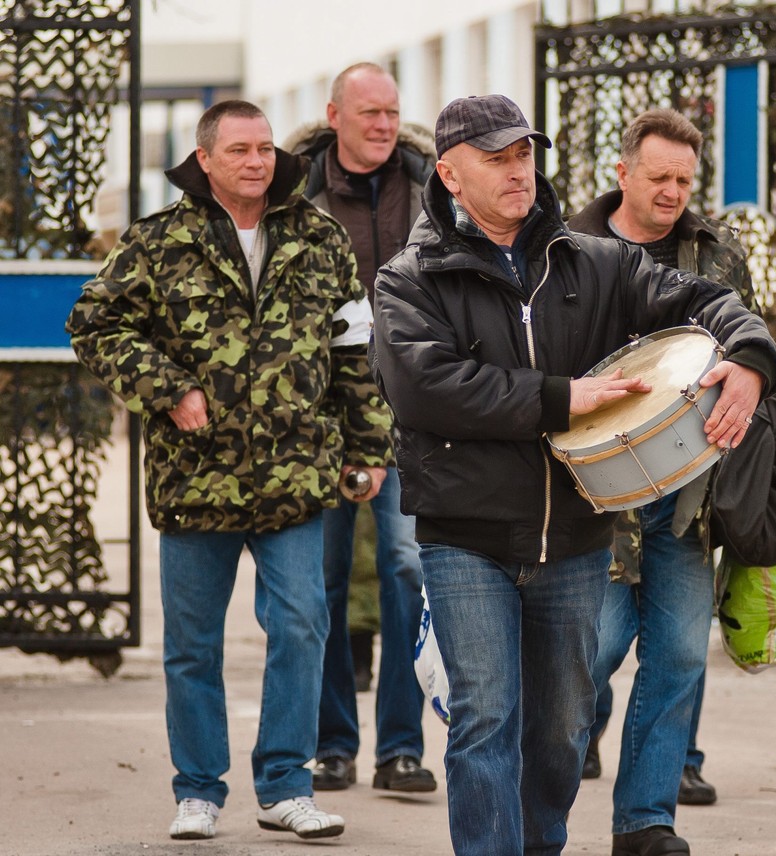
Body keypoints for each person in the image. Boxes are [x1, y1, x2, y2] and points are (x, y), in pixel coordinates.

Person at [371, 94, 776, 856]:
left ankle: (540, 844)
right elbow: (426, 388)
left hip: (574, 538)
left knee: (561, 729)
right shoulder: (408, 280)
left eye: (525, 154)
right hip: (466, 536)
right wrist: (563, 399)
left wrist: (751, 360)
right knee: (486, 716)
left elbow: (703, 300)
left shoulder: (594, 261)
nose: (518, 171)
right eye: (497, 158)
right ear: (451, 174)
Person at [66, 99, 394, 841]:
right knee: (192, 645)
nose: (257, 162)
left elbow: (354, 351)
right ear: (205, 158)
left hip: (296, 477)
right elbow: (94, 323)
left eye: (265, 149)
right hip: (195, 479)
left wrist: (369, 447)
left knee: (305, 626)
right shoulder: (157, 243)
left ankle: (285, 785)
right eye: (241, 149)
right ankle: (198, 792)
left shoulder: (318, 237)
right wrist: (169, 388)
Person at [567, 108, 757, 852]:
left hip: (688, 494)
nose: (675, 191)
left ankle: (645, 822)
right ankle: (530, 792)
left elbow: (749, 334)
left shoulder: (716, 253)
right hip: (598, 496)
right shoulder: (570, 249)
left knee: (678, 655)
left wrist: (749, 371)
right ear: (622, 173)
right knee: (592, 654)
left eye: (685, 178)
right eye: (659, 177)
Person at [286, 61, 437, 795]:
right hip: (324, 417)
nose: (382, 125)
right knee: (326, 579)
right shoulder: (296, 195)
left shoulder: (434, 189)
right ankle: (334, 743)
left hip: (413, 414)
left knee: (408, 567)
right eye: (368, 112)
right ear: (335, 114)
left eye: (391, 112)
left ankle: (401, 749)